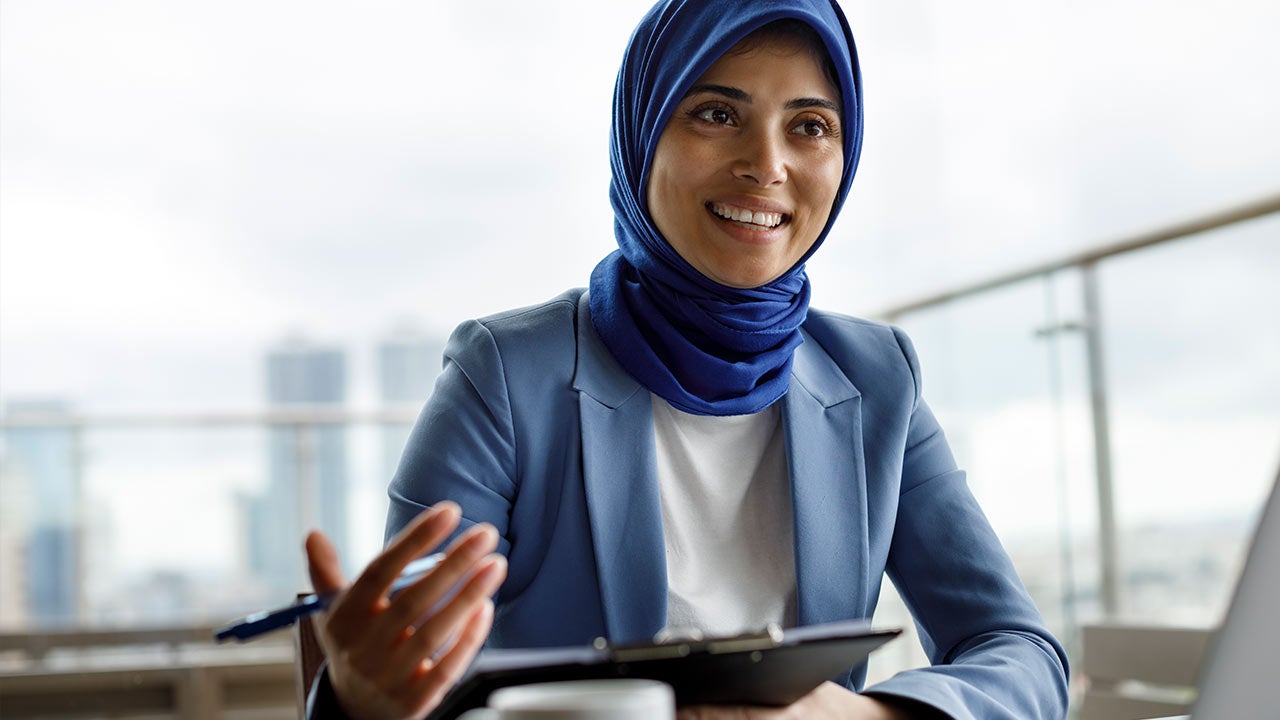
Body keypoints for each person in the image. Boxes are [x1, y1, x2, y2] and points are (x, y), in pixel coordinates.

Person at [303, 1, 1070, 718]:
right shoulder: (502, 375)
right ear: (642, 137)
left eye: (809, 126)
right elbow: (411, 666)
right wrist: (362, 698)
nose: (766, 164)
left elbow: (1022, 652)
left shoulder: (878, 378)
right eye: (715, 114)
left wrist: (860, 713)